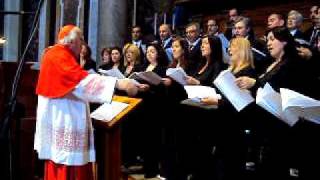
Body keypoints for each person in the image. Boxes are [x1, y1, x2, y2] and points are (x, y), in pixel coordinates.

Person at [34, 25, 138, 180]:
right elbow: (81, 82)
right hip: (65, 119)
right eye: (81, 39)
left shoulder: (56, 54)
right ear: (71, 41)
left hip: (60, 117)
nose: (83, 43)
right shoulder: (59, 56)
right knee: (68, 165)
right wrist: (120, 84)